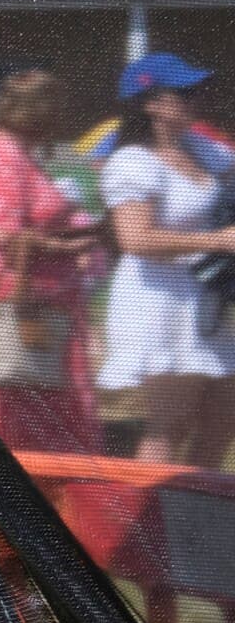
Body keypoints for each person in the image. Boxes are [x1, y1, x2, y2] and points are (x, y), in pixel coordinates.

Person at [0, 68, 103, 455]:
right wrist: (73, 246)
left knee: (26, 394)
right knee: (7, 397)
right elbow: (6, 235)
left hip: (24, 297)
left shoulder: (10, 150)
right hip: (7, 297)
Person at [98, 53, 235, 468]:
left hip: (206, 299)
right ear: (150, 103)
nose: (197, 98)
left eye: (197, 90)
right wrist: (218, 240)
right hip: (158, 302)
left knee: (222, 421)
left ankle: (193, 510)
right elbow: (134, 239)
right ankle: (144, 510)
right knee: (169, 425)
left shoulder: (204, 150)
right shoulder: (132, 161)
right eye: (184, 92)